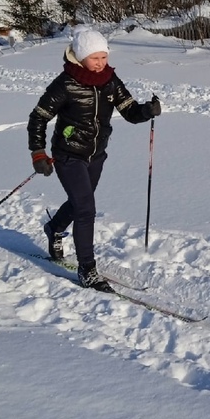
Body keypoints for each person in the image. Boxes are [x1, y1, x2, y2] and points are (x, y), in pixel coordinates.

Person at [27, 26, 161, 292]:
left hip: (96, 155)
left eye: (103, 57)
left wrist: (147, 110)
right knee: (86, 208)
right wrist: (38, 152)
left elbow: (130, 111)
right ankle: (87, 269)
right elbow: (39, 116)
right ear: (79, 56)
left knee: (80, 203)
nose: (100, 63)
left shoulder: (110, 80)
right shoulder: (65, 83)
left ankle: (54, 227)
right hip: (68, 154)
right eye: (94, 58)